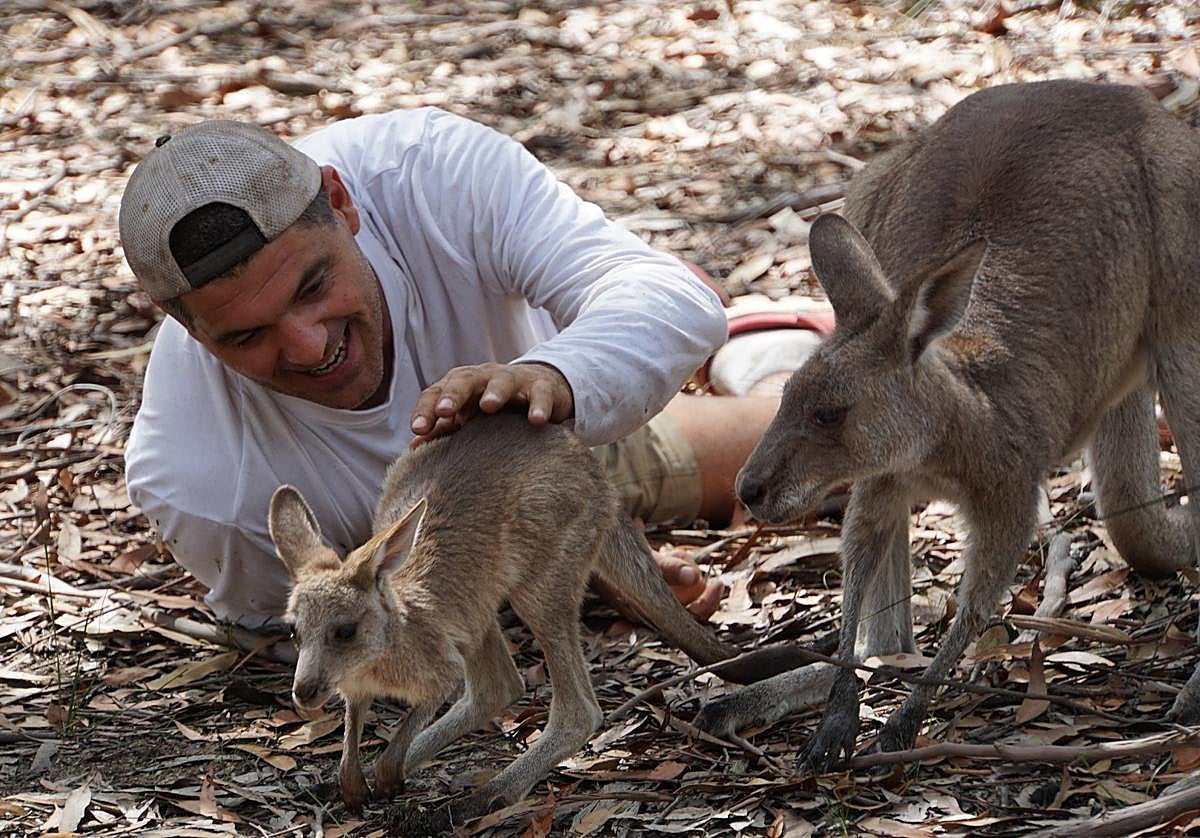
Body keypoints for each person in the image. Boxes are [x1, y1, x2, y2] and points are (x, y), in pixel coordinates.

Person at [118, 109, 821, 628]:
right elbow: (339, 638)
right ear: (184, 326)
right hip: (472, 531)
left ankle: (762, 343)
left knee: (795, 445)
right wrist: (557, 576)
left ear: (341, 201)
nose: (307, 347)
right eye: (248, 336)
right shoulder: (204, 486)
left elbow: (672, 299)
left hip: (548, 425)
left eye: (311, 287)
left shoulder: (425, 172)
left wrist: (556, 377)